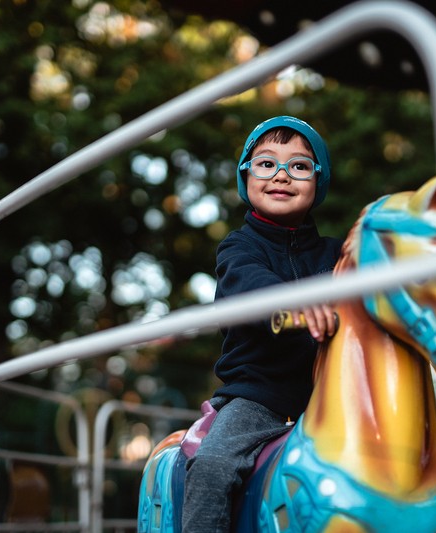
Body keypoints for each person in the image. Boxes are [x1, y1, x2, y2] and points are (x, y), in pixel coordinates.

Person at [181, 116, 343, 532]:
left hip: (331, 398)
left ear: (317, 181)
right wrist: (298, 306)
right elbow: (248, 287)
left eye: (300, 166)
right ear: (246, 177)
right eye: (267, 164)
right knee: (213, 467)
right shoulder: (239, 248)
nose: (282, 176)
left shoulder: (336, 254)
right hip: (261, 397)